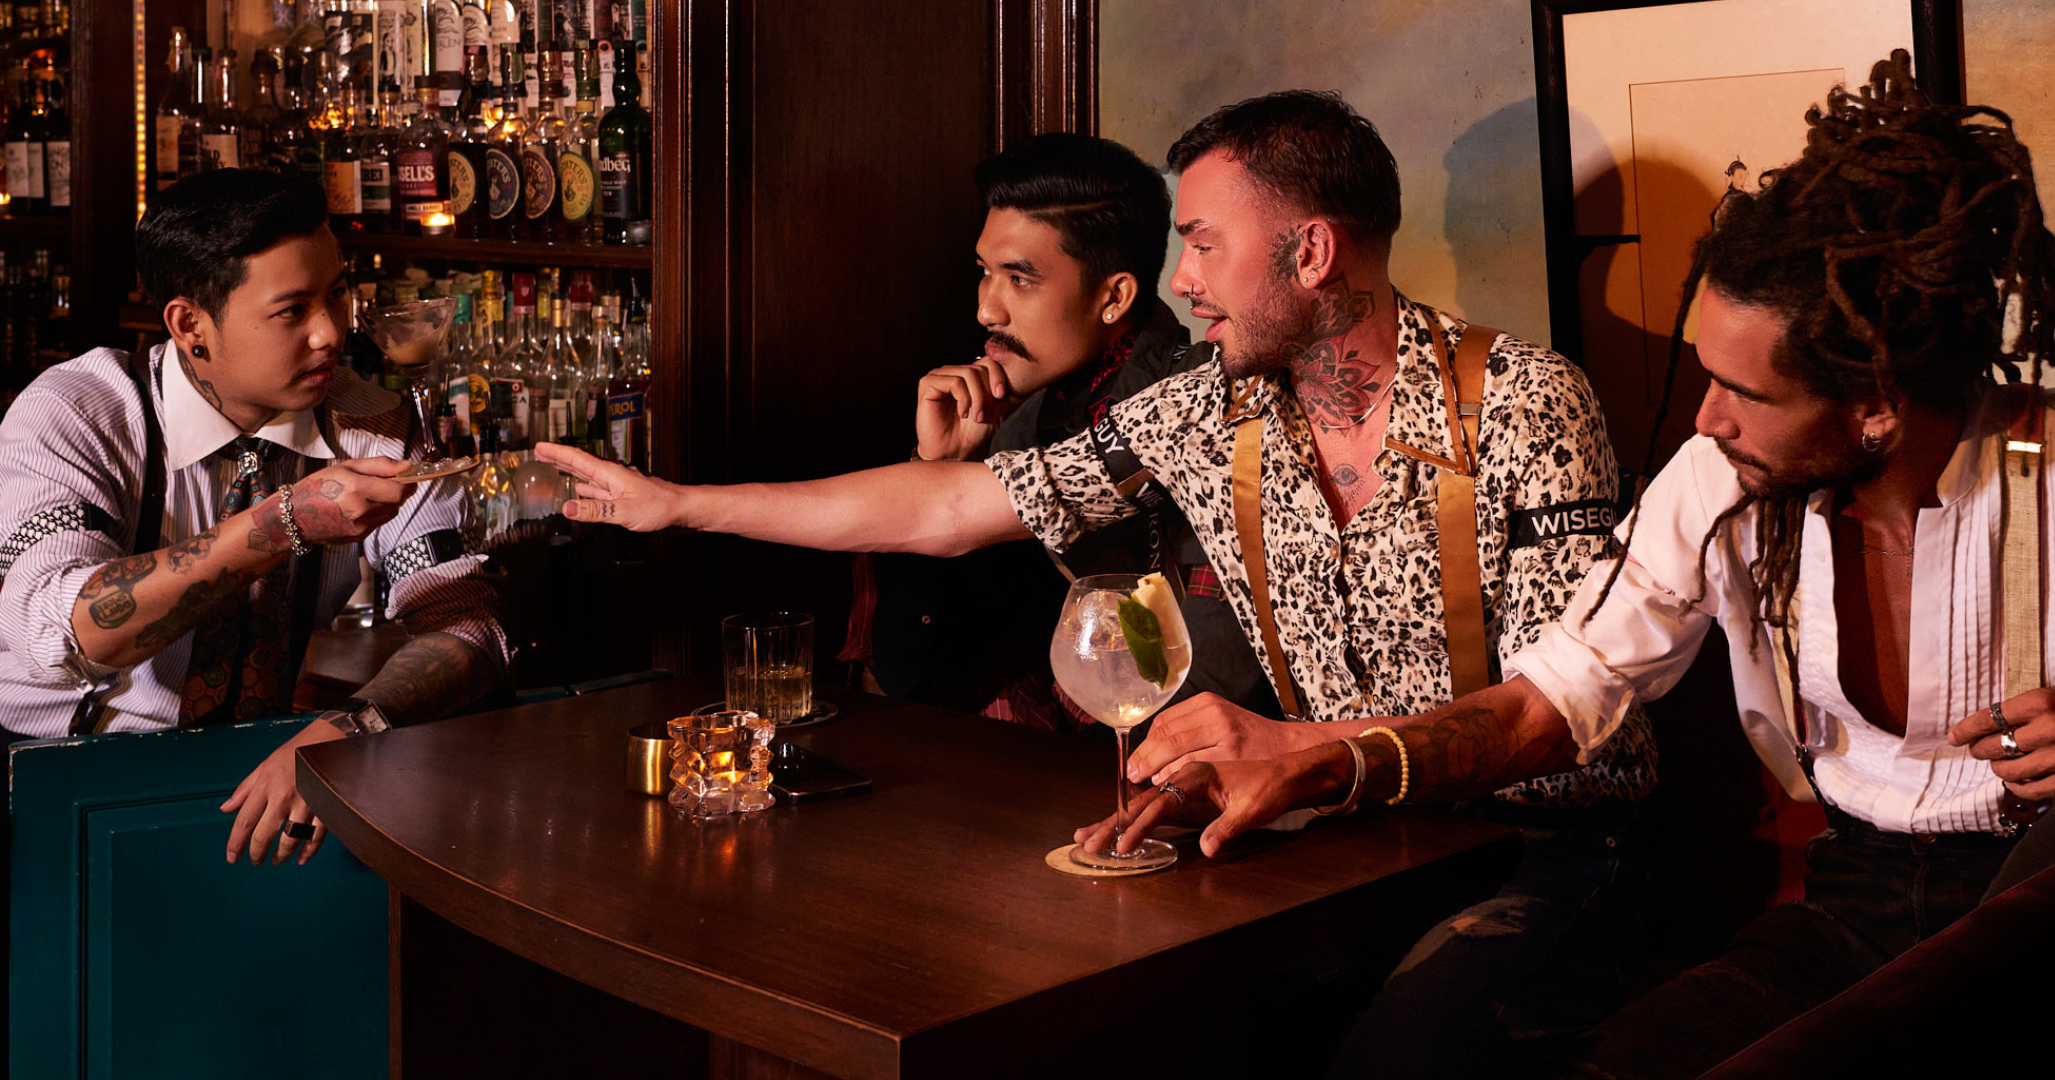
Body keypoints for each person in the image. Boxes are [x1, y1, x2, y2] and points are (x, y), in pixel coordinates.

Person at [538, 90, 1657, 1075]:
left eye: (1206, 246)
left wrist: (1313, 758)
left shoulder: (1519, 401)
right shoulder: (1212, 409)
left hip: (1539, 849)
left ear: (1310, 253)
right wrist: (677, 502)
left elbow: (1560, 727)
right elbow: (949, 508)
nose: (1178, 282)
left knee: (1397, 1057)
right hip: (1346, 846)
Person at [1087, 54, 2055, 1078]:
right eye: (1707, 375)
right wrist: (1323, 761)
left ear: (1875, 407)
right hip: (1854, 905)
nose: (1707, 419)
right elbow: (1549, 701)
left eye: (1748, 396)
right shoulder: (1716, 480)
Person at [0, 169, 509, 869]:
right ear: (190, 326)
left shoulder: (375, 424)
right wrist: (286, 520)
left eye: (335, 293)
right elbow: (63, 635)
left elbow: (469, 622)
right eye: (292, 310)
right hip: (56, 788)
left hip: (269, 769)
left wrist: (355, 722)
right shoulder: (81, 413)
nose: (331, 333)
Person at [849, 132, 1275, 729]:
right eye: (985, 273)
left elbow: (1213, 699)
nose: (987, 311)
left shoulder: (1210, 412)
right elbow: (918, 679)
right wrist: (938, 468)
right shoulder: (1014, 424)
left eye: (1020, 279)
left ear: (1114, 297)